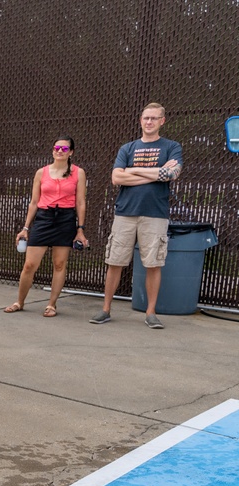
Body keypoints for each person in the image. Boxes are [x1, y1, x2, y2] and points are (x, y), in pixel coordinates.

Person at [91, 103, 182, 329]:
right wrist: (156, 174)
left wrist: (131, 171)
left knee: (153, 264)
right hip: (125, 213)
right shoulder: (128, 148)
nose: (149, 122)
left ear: (163, 121)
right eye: (145, 118)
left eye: (154, 118)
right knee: (115, 261)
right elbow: (116, 178)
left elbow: (171, 173)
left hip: (155, 214)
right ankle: (106, 309)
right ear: (140, 120)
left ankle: (150, 313)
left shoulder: (172, 146)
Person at [5, 136, 88, 316]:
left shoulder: (78, 173)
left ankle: (52, 304)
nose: (59, 151)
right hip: (44, 218)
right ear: (52, 150)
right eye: (57, 148)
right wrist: (26, 228)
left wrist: (80, 230)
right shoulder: (41, 172)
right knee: (29, 265)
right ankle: (19, 302)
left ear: (71, 152)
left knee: (59, 264)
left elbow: (80, 202)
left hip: (65, 219)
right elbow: (34, 202)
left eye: (64, 149)